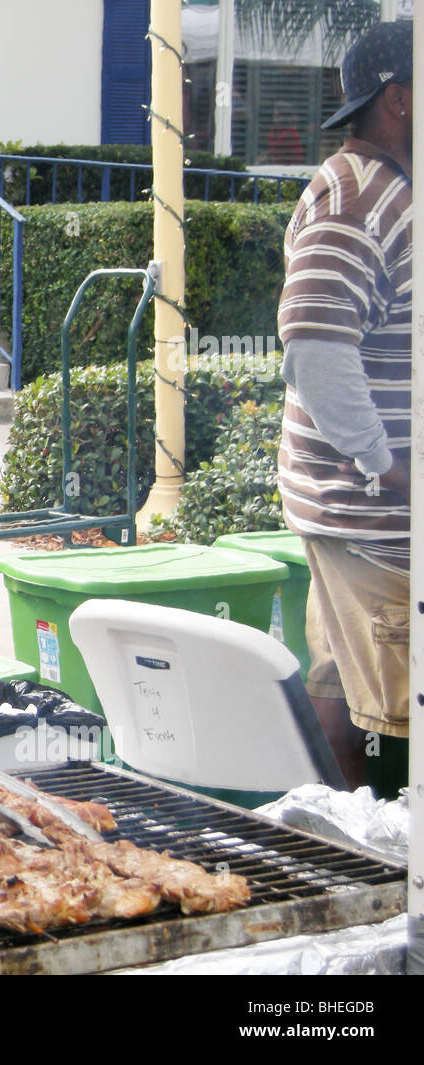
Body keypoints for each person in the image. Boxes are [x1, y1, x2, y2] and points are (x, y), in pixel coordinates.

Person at [276, 21, 411, 794]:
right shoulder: (358, 194)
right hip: (373, 527)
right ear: (398, 100)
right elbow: (316, 346)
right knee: (395, 729)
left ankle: (349, 846)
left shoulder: (386, 190)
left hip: (357, 524)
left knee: (343, 697)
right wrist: (392, 469)